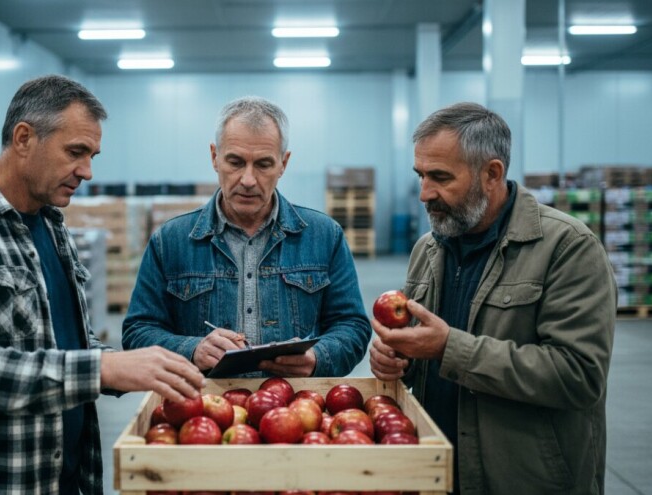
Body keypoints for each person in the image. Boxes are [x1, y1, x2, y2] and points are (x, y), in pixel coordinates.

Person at [0, 75, 205, 495]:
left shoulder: (51, 227)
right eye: (76, 152)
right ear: (23, 138)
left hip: (63, 478)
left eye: (92, 155)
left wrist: (138, 366)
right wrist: (103, 368)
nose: (88, 172)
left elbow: (61, 344)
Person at [370, 102, 615, 494]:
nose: (423, 193)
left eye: (440, 177)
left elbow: (578, 376)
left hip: (523, 479)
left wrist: (450, 347)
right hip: (439, 470)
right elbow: (424, 354)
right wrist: (399, 359)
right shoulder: (428, 249)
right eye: (420, 175)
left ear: (492, 174)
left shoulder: (567, 248)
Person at [122, 96, 370, 377]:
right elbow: (137, 333)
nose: (248, 180)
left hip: (294, 410)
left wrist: (317, 357)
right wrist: (193, 349)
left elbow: (353, 326)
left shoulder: (325, 237)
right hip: (203, 412)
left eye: (263, 164)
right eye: (235, 162)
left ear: (283, 164)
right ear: (215, 157)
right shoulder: (171, 241)